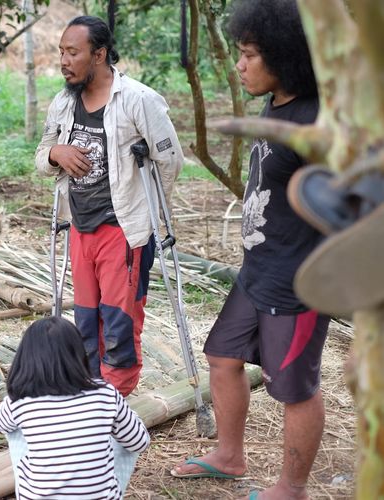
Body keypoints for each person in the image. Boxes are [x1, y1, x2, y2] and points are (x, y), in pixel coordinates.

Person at [170, 2, 329, 499]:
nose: (240, 65)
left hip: (297, 281)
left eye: (249, 55)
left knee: (294, 389)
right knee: (221, 354)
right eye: (240, 53)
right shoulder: (278, 100)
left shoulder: (317, 123)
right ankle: (229, 456)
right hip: (257, 269)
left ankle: (292, 487)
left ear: (285, 56)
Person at [35, 15, 184, 397]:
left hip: (123, 230)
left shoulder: (138, 100)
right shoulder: (64, 103)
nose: (64, 61)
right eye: (61, 52)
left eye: (73, 52)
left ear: (99, 54)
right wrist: (56, 152)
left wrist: (148, 216)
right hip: (80, 227)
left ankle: (116, 395)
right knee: (85, 318)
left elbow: (169, 161)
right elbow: (40, 156)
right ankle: (88, 392)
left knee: (119, 320)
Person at [0, 317, 150, 499]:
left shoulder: (20, 399)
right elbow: (139, 442)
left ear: (26, 358)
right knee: (119, 429)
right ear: (79, 354)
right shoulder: (105, 394)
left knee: (15, 430)